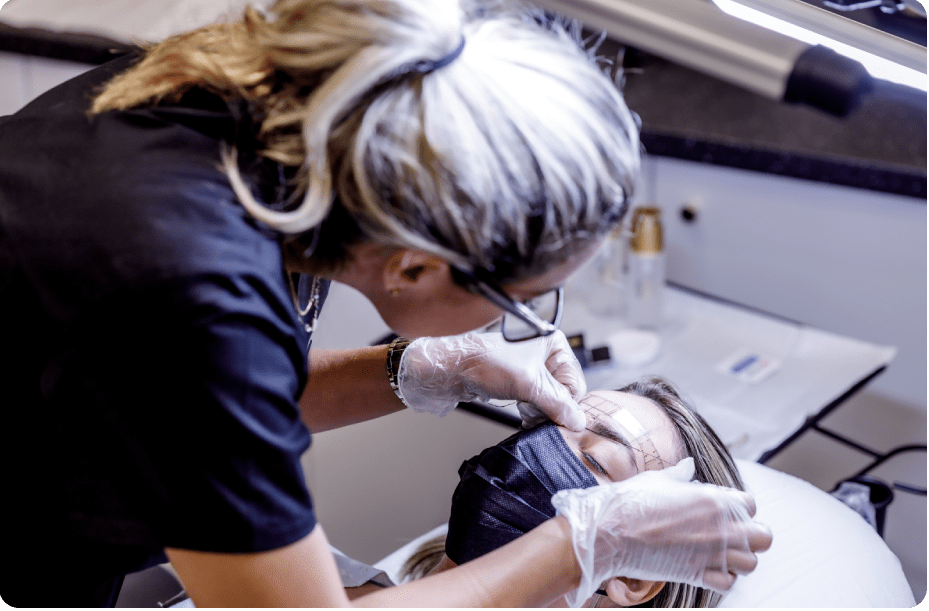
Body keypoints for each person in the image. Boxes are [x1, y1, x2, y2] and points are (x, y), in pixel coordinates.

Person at [0, 0, 770, 606]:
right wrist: (581, 545)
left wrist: (420, 368)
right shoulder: (182, 285)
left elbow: (182, 401)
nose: (534, 330)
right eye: (525, 302)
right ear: (416, 264)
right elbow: (194, 366)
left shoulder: (265, 135)